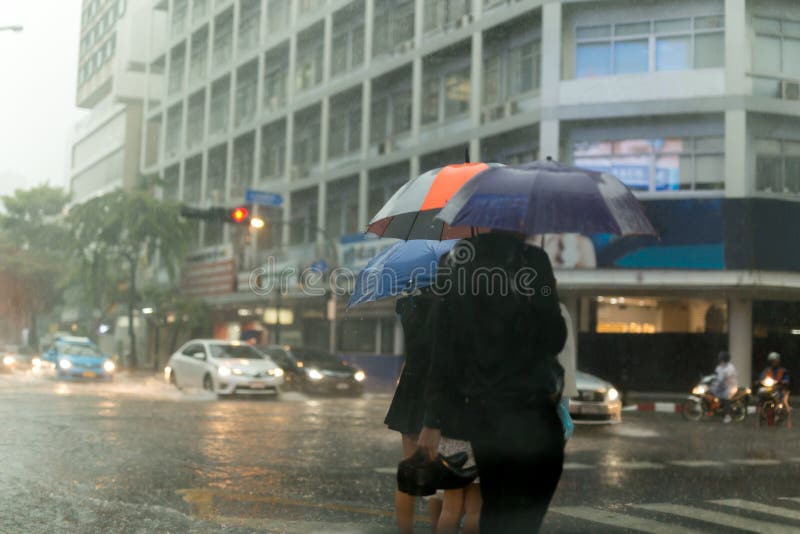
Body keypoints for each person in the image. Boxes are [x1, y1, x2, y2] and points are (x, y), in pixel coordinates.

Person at [418, 233, 567, 534]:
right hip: (533, 414)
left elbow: (442, 348)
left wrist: (432, 419)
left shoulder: (457, 262)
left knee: (496, 509)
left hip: (485, 417)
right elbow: (554, 339)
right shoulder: (534, 260)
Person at [384, 289, 439, 534]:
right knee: (439, 471)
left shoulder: (407, 306)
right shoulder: (446, 307)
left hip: (411, 386)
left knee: (409, 468)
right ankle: (440, 528)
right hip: (436, 386)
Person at [711, 351, 737, 423]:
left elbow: (725, 379)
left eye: (721, 359)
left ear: (725, 360)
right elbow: (715, 375)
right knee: (710, 391)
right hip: (721, 386)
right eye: (720, 359)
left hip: (730, 387)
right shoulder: (719, 367)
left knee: (726, 398)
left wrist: (719, 384)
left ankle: (727, 416)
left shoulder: (730, 368)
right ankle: (716, 408)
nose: (720, 360)